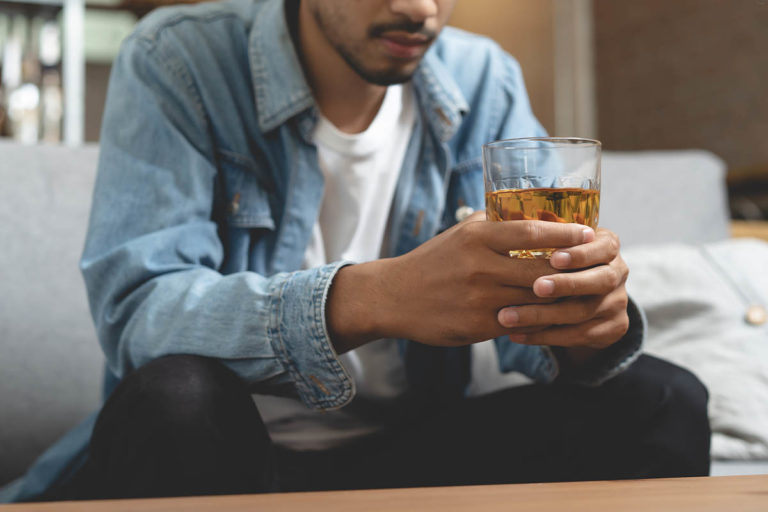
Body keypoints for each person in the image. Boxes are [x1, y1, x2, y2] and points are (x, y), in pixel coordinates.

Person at [1, 0, 710, 502]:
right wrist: (372, 297)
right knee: (178, 398)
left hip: (409, 457)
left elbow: (529, 318)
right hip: (221, 451)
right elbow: (139, 315)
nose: (419, 8)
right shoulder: (179, 60)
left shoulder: (481, 80)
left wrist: (582, 321)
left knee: (662, 397)